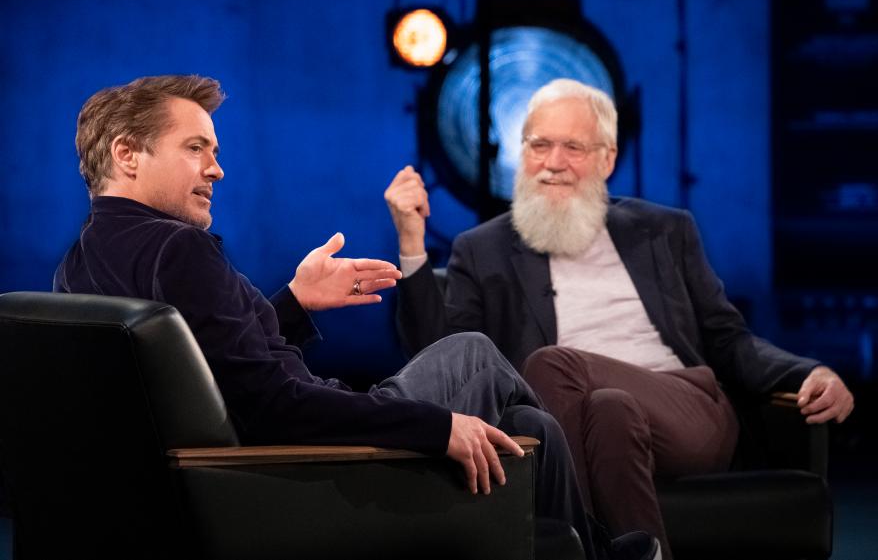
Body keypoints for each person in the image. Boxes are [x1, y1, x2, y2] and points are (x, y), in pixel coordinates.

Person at [54, 75, 659, 560]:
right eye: (196, 149)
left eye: (216, 151)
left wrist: (292, 302)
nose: (216, 169)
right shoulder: (180, 249)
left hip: (237, 470)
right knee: (471, 352)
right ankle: (607, 547)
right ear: (126, 154)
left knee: (530, 426)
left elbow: (202, 372)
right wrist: (434, 427)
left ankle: (587, 548)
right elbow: (275, 405)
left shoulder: (80, 263)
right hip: (303, 470)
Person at [385, 78, 855, 560]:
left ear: (607, 158)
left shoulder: (664, 230)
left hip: (686, 408)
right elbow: (440, 360)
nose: (552, 163)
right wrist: (412, 244)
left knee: (552, 365)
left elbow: (727, 337)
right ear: (521, 152)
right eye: (539, 144)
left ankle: (575, 544)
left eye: (573, 147)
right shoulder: (481, 249)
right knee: (610, 407)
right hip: (594, 419)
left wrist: (806, 371)